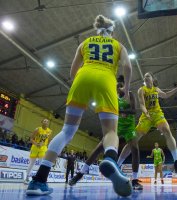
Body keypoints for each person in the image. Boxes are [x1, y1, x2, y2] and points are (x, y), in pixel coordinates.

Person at [26, 14, 132, 197]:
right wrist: (127, 89)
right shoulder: (118, 45)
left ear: (97, 30)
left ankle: (38, 180)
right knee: (110, 132)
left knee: (67, 131)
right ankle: (111, 159)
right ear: (112, 33)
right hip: (106, 80)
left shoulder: (85, 43)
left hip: (82, 78)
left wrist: (81, 88)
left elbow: (72, 71)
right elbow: (128, 67)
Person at [68, 75, 143, 190]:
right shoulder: (113, 96)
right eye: (117, 86)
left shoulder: (130, 94)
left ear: (124, 85)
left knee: (135, 149)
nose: (119, 88)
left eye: (121, 85)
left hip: (128, 127)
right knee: (99, 148)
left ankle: (134, 180)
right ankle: (80, 174)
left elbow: (133, 111)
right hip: (116, 126)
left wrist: (121, 111)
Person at [117, 72, 177, 174]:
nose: (146, 77)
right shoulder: (141, 90)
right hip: (146, 116)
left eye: (148, 76)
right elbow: (142, 104)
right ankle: (118, 164)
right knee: (132, 141)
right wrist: (146, 112)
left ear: (152, 78)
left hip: (157, 114)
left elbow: (165, 95)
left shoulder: (156, 89)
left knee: (167, 130)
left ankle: (176, 161)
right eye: (144, 77)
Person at [24, 119, 52, 184]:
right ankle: (27, 178)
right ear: (41, 122)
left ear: (48, 124)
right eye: (44, 121)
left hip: (43, 148)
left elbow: (49, 141)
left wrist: (47, 147)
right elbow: (31, 139)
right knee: (31, 163)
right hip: (35, 147)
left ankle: (39, 179)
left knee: (41, 164)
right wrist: (36, 144)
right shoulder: (37, 129)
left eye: (47, 121)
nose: (46, 122)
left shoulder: (50, 131)